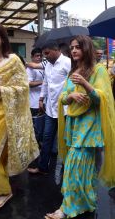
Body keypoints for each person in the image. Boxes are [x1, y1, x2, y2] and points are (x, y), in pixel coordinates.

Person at [45, 35, 115, 219]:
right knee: (84, 168)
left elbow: (102, 98)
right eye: (72, 47)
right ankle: (87, 202)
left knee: (75, 166)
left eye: (78, 47)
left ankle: (67, 208)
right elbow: (64, 96)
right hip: (74, 126)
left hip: (90, 127)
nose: (74, 50)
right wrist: (71, 97)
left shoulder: (98, 70)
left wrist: (85, 83)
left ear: (86, 49)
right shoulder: (73, 72)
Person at [0, 23, 39, 210]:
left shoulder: (13, 61)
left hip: (7, 115)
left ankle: (3, 191)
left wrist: (1, 88)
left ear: (2, 38)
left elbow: (23, 88)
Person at [28, 41, 71, 174]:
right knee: (46, 138)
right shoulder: (47, 65)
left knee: (66, 140)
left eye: (47, 53)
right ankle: (43, 168)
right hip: (51, 110)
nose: (45, 56)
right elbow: (46, 83)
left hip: (65, 110)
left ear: (56, 50)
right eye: (43, 54)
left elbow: (74, 83)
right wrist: (41, 98)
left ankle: (68, 170)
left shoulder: (68, 63)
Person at [26, 48, 45, 145]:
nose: (39, 58)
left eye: (40, 56)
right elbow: (28, 83)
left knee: (41, 129)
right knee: (35, 129)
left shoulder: (42, 67)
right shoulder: (30, 69)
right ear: (32, 57)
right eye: (37, 56)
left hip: (43, 102)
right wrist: (44, 82)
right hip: (34, 103)